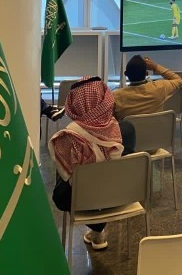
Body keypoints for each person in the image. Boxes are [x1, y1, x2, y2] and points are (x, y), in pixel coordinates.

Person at [48, 77, 130, 251]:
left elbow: (66, 178)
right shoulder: (126, 129)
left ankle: (97, 228)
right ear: (104, 98)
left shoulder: (67, 138)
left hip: (82, 199)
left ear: (74, 103)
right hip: (122, 195)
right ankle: (98, 230)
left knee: (61, 187)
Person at [112, 55, 182, 120]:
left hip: (128, 130)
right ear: (146, 73)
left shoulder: (116, 96)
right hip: (155, 130)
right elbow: (179, 80)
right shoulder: (159, 88)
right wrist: (155, 66)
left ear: (126, 74)